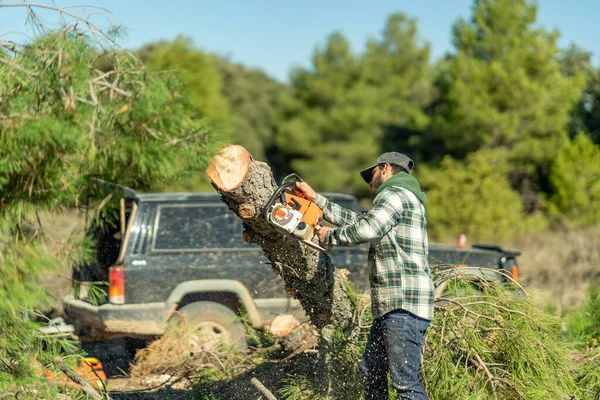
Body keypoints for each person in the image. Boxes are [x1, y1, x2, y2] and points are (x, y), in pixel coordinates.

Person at [295, 152, 434, 400]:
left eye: (371, 176)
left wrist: (331, 236)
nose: (370, 184)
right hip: (392, 308)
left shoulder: (394, 194)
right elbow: (360, 220)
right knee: (371, 371)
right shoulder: (400, 197)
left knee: (405, 384)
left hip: (403, 307)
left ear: (385, 168)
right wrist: (318, 201)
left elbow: (367, 229)